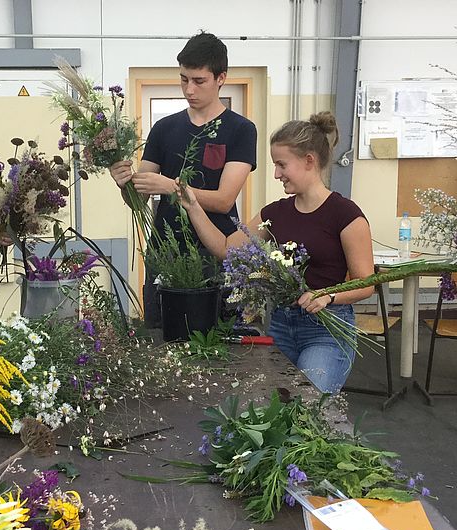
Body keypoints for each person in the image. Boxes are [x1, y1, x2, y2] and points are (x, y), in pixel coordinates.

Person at [178, 112, 374, 394]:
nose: (276, 174)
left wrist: (327, 296)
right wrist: (193, 206)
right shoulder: (275, 213)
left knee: (307, 407)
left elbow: (365, 282)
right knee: (276, 415)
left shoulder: (345, 215)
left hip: (326, 331)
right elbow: (226, 249)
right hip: (281, 326)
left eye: (282, 165)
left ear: (309, 160)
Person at [110, 31, 257, 327]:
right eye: (184, 79)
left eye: (199, 80)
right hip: (165, 250)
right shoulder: (164, 128)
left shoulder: (240, 130)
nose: (189, 89)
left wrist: (173, 187)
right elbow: (138, 199)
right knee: (160, 339)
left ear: (221, 78)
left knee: (216, 344)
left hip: (214, 251)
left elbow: (224, 199)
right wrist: (125, 182)